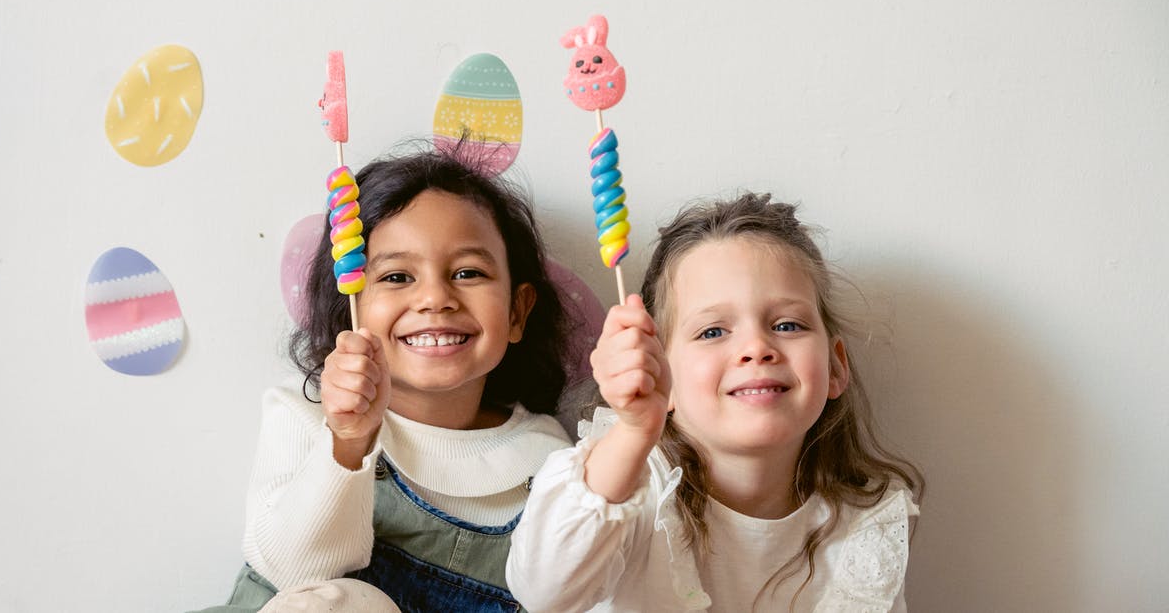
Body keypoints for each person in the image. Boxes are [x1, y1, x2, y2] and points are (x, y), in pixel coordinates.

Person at [197, 144, 574, 612]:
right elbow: (290, 574)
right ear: (351, 307)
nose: (436, 298)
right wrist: (348, 441)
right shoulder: (305, 416)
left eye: (468, 272)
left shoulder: (552, 465)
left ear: (517, 312)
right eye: (397, 277)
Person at [507, 192, 924, 612]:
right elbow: (544, 592)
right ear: (660, 372)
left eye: (786, 324)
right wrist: (633, 432)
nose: (757, 347)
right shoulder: (632, 488)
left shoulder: (865, 525)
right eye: (712, 332)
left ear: (835, 367)